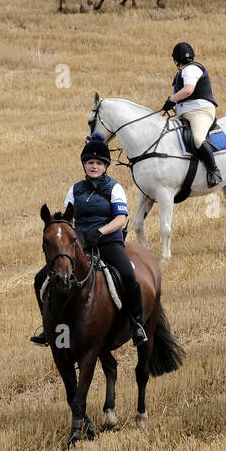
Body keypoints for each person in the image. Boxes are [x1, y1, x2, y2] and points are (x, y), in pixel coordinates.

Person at [29, 133, 149, 348]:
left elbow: (121, 218)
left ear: (105, 166)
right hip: (81, 242)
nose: (94, 166)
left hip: (109, 240)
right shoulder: (75, 189)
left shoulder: (115, 188)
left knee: (130, 276)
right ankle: (49, 329)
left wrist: (101, 232)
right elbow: (68, 219)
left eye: (98, 163)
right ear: (84, 165)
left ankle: (137, 324)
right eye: (90, 162)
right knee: (41, 279)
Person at [162, 41, 222, 188]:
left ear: (175, 60)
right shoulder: (181, 73)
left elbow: (188, 90)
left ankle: (214, 171)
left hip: (200, 112)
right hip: (184, 113)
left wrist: (171, 99)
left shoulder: (191, 70)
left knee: (197, 138)